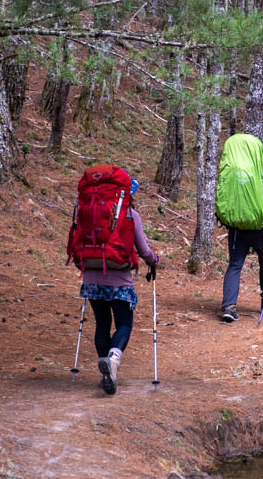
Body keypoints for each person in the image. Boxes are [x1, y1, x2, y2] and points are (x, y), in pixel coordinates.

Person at [70, 167, 159, 395]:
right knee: (124, 324)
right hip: (119, 279)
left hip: (91, 276)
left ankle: (106, 371)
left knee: (101, 324)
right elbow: (142, 249)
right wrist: (154, 260)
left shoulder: (86, 209)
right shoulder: (130, 213)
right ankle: (113, 360)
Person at [219, 144, 263, 323]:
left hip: (236, 228)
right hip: (260, 229)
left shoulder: (233, 176)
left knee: (234, 265)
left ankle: (229, 307)